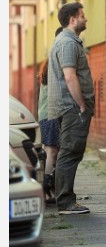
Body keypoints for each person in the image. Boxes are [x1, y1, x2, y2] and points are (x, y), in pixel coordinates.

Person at [47, 2, 95, 214]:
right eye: (82, 15)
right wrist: (82, 104)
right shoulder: (67, 43)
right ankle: (66, 202)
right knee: (70, 151)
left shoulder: (68, 41)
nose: (86, 19)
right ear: (73, 19)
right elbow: (69, 76)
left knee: (70, 151)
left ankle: (65, 199)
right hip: (72, 107)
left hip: (70, 107)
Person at [37, 26, 63, 204]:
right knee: (51, 152)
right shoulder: (57, 59)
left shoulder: (51, 58)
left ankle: (49, 190)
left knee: (52, 152)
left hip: (48, 113)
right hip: (51, 114)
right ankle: (46, 191)